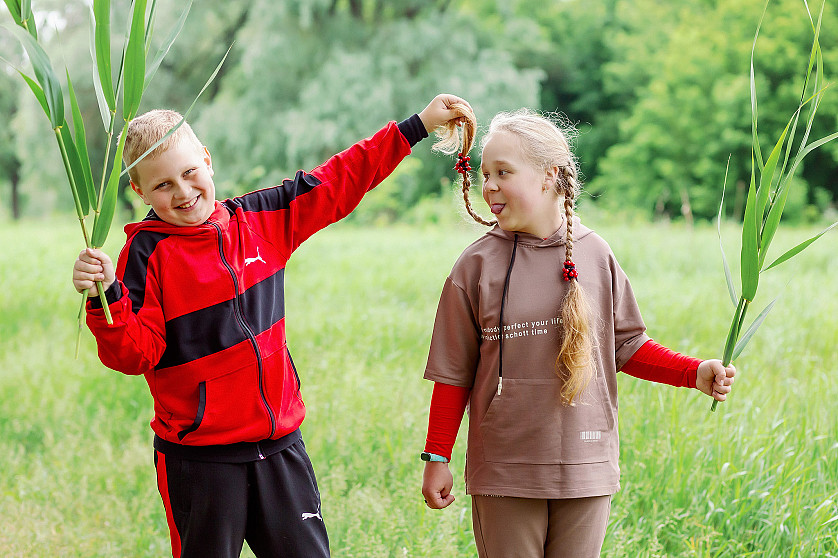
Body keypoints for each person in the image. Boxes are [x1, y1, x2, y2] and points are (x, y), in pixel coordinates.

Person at [71, 93, 472, 558]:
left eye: (188, 172)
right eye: (162, 186)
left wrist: (417, 125)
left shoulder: (261, 219)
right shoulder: (143, 256)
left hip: (280, 447)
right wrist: (107, 298)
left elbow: (339, 180)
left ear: (207, 160)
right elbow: (134, 355)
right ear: (139, 192)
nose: (182, 192)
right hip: (200, 458)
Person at [419, 108, 736, 558]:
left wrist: (695, 373)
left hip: (586, 469)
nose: (488, 185)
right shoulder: (475, 267)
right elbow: (454, 373)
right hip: (506, 472)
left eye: (503, 172)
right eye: (484, 173)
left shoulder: (596, 254)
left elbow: (627, 346)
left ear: (549, 176)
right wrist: (436, 457)